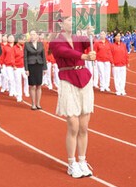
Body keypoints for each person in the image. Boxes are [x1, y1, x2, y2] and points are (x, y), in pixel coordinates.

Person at [49, 14, 96, 178]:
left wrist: (91, 33)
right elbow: (66, 52)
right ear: (61, 24)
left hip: (84, 79)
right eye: (70, 20)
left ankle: (82, 161)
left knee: (84, 126)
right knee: (73, 126)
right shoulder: (56, 41)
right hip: (68, 81)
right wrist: (84, 56)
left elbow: (89, 43)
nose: (73, 23)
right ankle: (71, 163)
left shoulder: (78, 37)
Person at [24, 30, 47, 110]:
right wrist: (26, 69)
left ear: (37, 36)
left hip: (39, 65)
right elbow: (25, 57)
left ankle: (38, 104)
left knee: (39, 85)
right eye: (31, 34)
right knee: (33, 85)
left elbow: (43, 56)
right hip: (31, 66)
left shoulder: (41, 44)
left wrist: (45, 68)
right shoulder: (27, 44)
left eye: (34, 34)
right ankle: (33, 104)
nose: (32, 36)